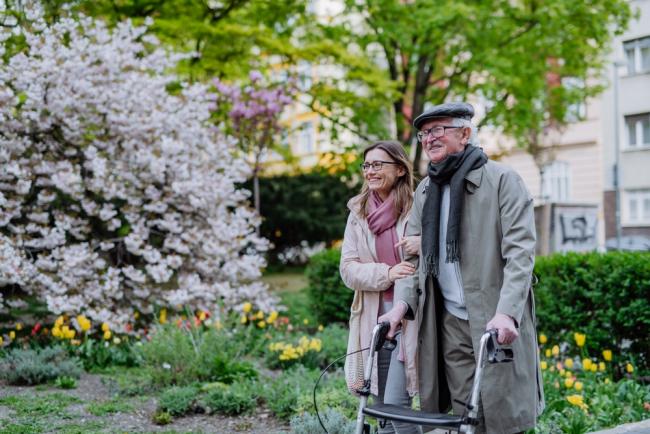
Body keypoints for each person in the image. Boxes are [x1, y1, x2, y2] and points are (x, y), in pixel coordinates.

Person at [379, 103, 545, 434]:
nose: (429, 138)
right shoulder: (427, 189)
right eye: (425, 133)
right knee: (463, 416)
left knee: (503, 414)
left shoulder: (502, 180)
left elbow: (521, 253)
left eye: (439, 130)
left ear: (465, 133)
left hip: (494, 318)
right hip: (450, 321)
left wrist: (508, 312)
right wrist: (401, 305)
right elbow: (414, 260)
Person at [340, 140, 422, 434]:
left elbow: (426, 262)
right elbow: (348, 270)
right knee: (381, 412)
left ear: (400, 169)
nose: (370, 171)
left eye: (378, 165)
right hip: (373, 319)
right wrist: (387, 272)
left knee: (397, 408)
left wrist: (422, 246)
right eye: (366, 165)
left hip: (411, 317)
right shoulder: (358, 212)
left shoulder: (416, 208)